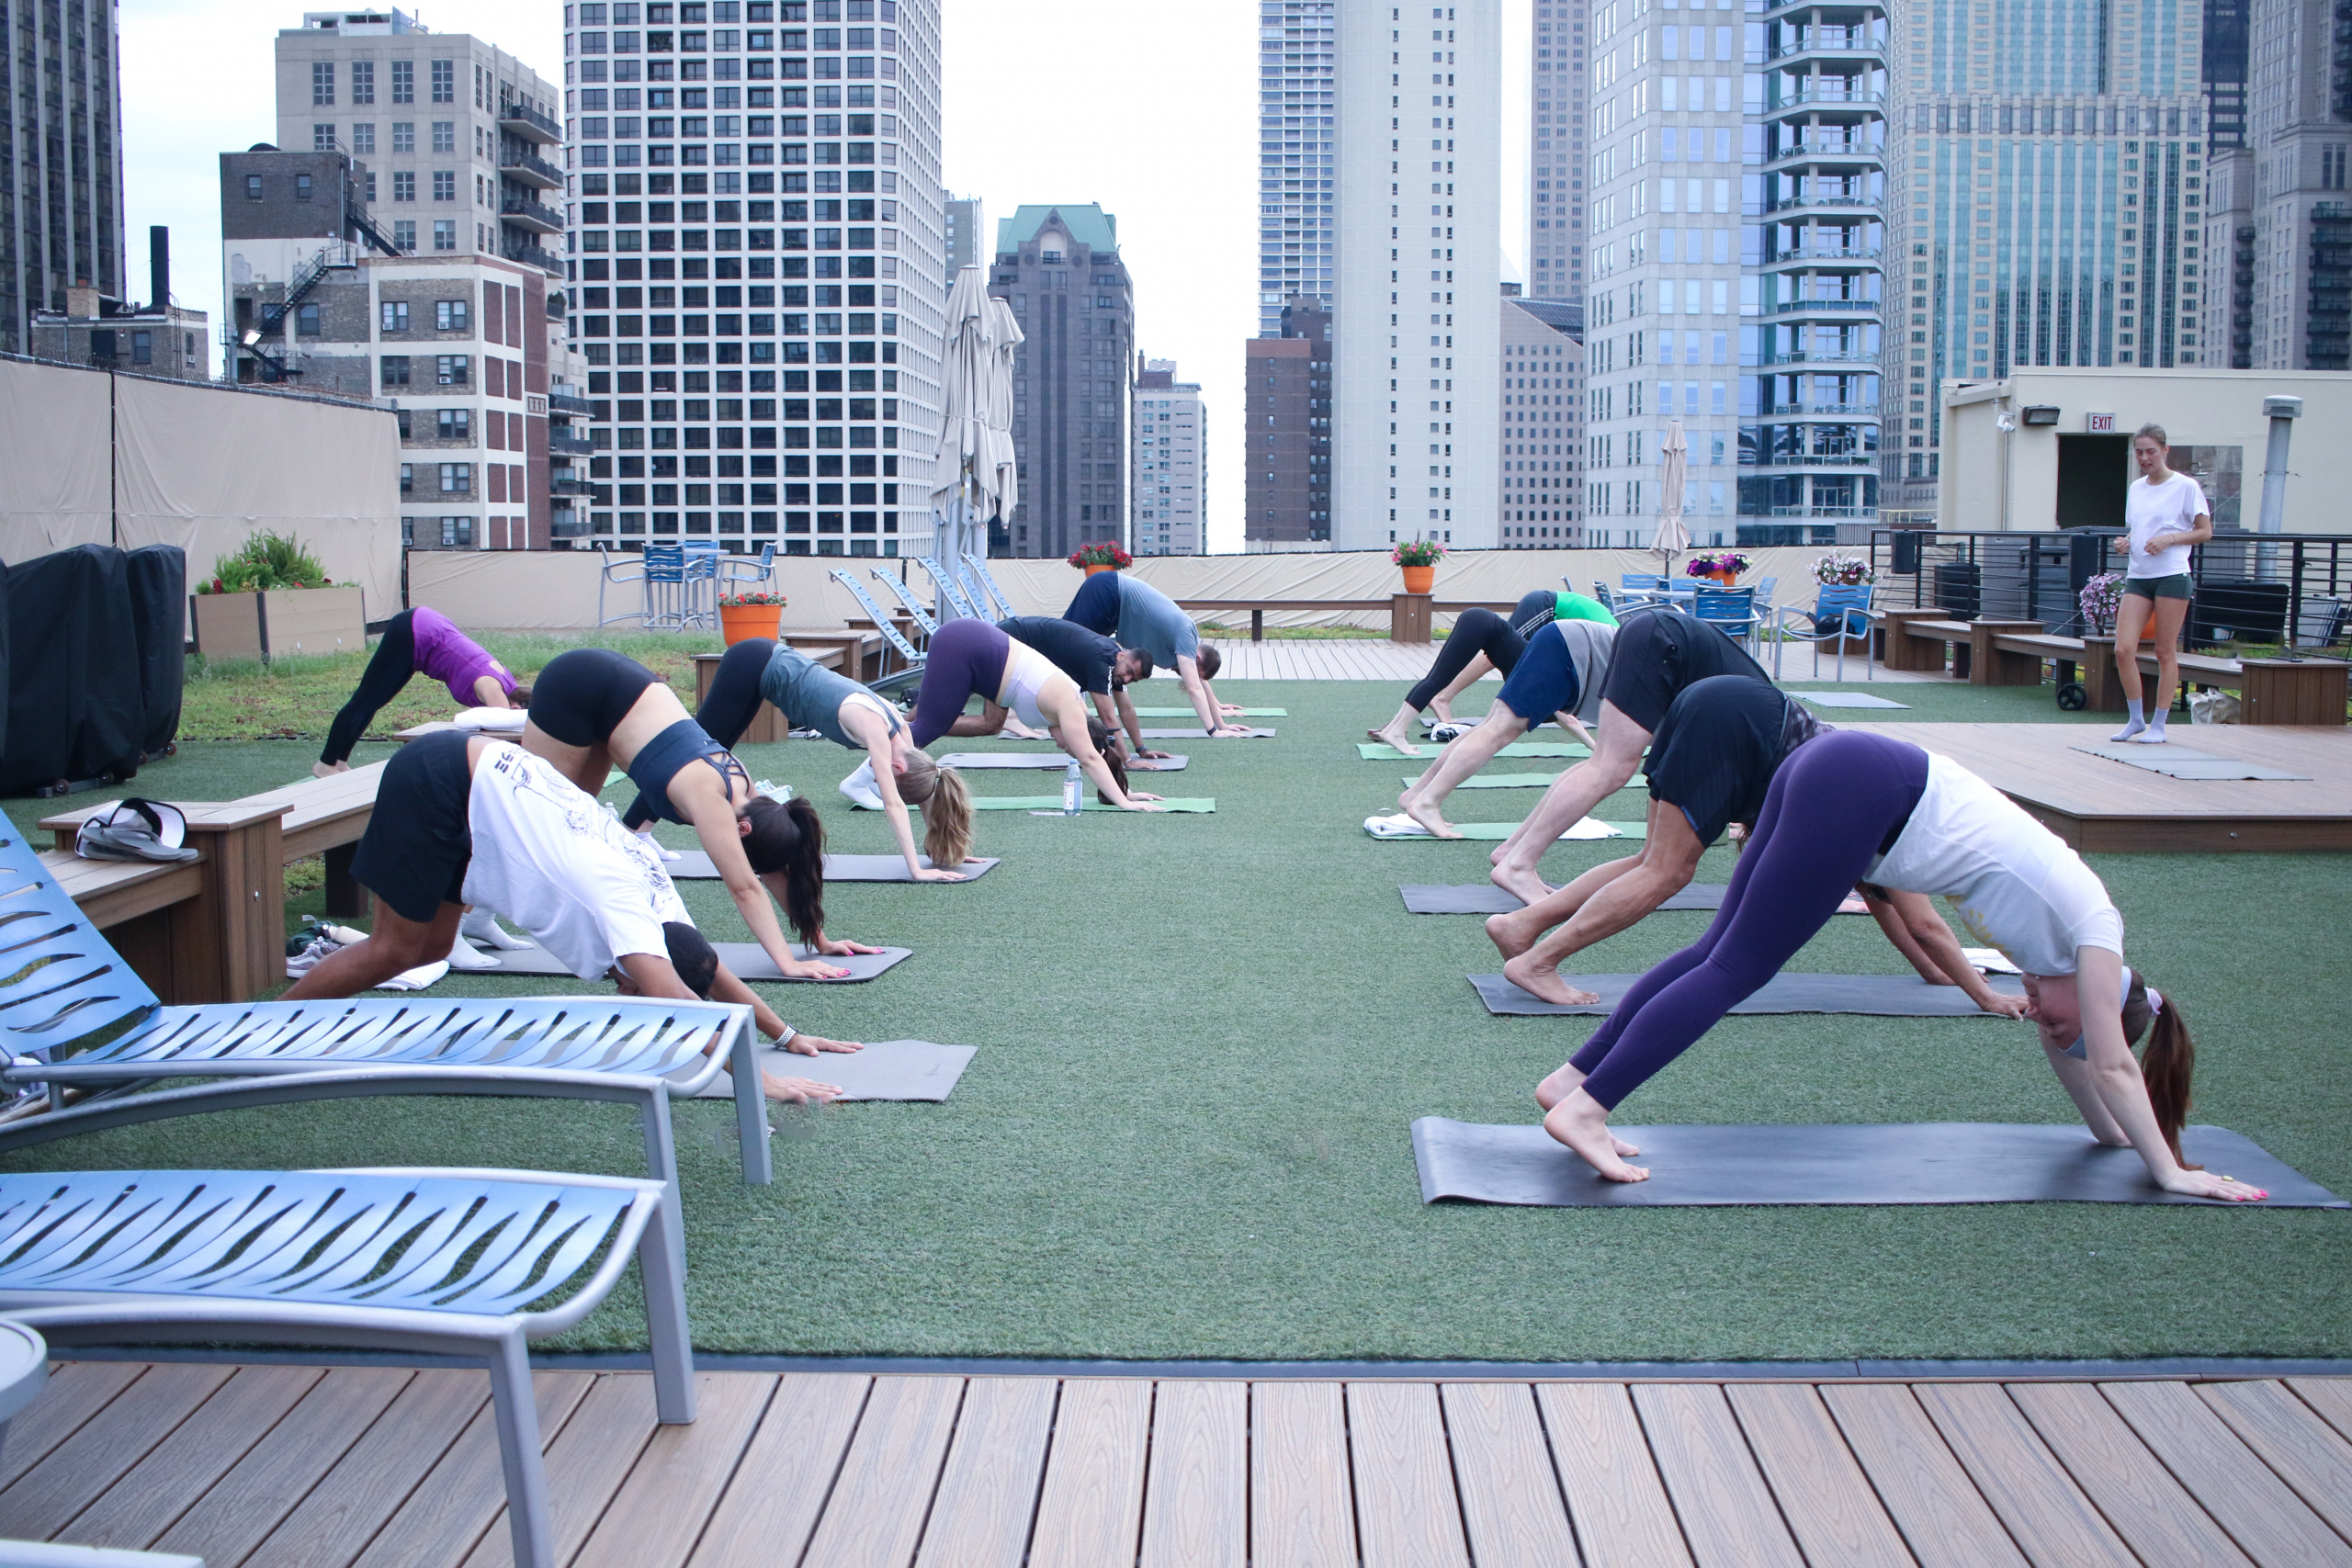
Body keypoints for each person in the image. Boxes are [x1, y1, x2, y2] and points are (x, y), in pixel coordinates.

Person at [1532, 728, 2267, 1201]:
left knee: (1715, 954)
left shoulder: (2057, 966)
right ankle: (1589, 1108)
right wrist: (2171, 1170)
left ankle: (1572, 1080)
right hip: (1863, 786)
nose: (2042, 1020)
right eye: (2067, 1024)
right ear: (2109, 1002)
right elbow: (2108, 1065)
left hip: (1842, 767)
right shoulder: (2097, 932)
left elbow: (2086, 1074)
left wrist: (2121, 1138)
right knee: (1737, 970)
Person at [282, 731, 851, 1102]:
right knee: (397, 948)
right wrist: (764, 1083)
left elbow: (706, 970)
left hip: (481, 785)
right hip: (443, 781)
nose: (630, 995)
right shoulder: (624, 905)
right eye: (634, 988)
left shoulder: (661, 905)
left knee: (429, 950)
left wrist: (787, 1033)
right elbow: (672, 995)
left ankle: (276, 1024)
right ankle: (263, 1029)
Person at [1487, 675, 2025, 1017]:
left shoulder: (1887, 815)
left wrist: (1941, 976)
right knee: (1668, 872)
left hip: (1716, 700)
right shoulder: (1898, 827)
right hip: (1740, 725)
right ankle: (1540, 962)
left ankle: (1521, 927)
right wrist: (1985, 995)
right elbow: (1925, 925)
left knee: (1650, 861)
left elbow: (1901, 920)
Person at [523, 647, 860, 979]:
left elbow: (770, 871)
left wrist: (818, 940)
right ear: (742, 830)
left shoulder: (748, 792)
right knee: (533, 819)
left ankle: (475, 924)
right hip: (576, 685)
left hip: (621, 694)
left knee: (572, 816)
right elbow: (745, 887)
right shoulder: (711, 799)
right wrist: (789, 963)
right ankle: (471, 925)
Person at [1485, 605, 1773, 905]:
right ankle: (1518, 864)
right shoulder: (1764, 747)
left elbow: (1672, 766)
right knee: (1611, 767)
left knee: (1605, 765)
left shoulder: (1761, 738)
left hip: (1662, 642)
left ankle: (1512, 852)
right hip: (1662, 641)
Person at [639, 636, 974, 881]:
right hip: (753, 663)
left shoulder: (906, 739)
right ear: (896, 768)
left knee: (710, 754)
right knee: (692, 757)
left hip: (765, 667)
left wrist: (946, 845)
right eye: (884, 777)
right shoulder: (877, 732)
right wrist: (915, 869)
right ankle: (634, 832)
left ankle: (640, 830)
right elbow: (894, 804)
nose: (876, 776)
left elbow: (929, 790)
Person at [907, 618, 1165, 809]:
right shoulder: (1070, 707)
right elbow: (1090, 758)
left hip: (974, 653)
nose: (1062, 747)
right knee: (926, 729)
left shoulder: (1075, 709)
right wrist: (1125, 802)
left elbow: (1099, 753)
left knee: (929, 726)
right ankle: (870, 774)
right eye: (1068, 747)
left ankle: (881, 745)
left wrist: (1124, 790)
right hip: (967, 644)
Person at [1395, 617, 1617, 839]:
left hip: (1563, 640)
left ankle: (1418, 794)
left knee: (1492, 726)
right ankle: (1426, 802)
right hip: (1569, 648)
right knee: (1500, 730)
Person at [1369, 589, 1616, 756]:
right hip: (1496, 619)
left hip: (1478, 620)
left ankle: (1393, 729)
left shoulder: (1530, 677)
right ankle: (1397, 729)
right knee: (1438, 680)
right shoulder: (1549, 687)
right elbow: (1568, 718)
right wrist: (1596, 749)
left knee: (1436, 679)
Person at [315, 606, 527, 778]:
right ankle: (326, 764)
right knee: (364, 701)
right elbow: (502, 741)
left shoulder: (510, 688)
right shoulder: (495, 692)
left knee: (372, 702)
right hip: (416, 631)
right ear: (516, 708)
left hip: (423, 632)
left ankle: (340, 761)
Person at [2109, 423, 2214, 744]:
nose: (2144, 457)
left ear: (2165, 451)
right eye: (2139, 452)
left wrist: (2170, 539)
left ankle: (2159, 725)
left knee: (2165, 651)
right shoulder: (2136, 488)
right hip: (2139, 577)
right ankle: (2136, 719)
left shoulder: (2185, 486)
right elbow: (2141, 526)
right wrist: (2127, 541)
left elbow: (2204, 531)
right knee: (2123, 649)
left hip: (2172, 575)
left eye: (2150, 451)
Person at [1063, 570, 1250, 738]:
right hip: (1108, 591)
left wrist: (1221, 721)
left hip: (1114, 606)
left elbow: (1201, 684)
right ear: (1198, 659)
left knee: (1078, 657)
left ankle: (1072, 715)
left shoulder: (1188, 645)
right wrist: (1213, 731)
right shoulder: (1186, 635)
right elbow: (1195, 688)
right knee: (1067, 651)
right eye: (1192, 671)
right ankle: (1047, 715)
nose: (1184, 677)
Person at [994, 615, 1170, 763]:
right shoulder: (1102, 662)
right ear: (1122, 655)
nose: (1127, 679)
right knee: (989, 719)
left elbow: (1127, 709)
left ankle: (1008, 716)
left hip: (1015, 636)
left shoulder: (1116, 663)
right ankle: (1008, 717)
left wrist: (1142, 750)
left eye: (1133, 679)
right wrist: (1127, 761)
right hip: (1011, 636)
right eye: (1129, 672)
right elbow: (1108, 718)